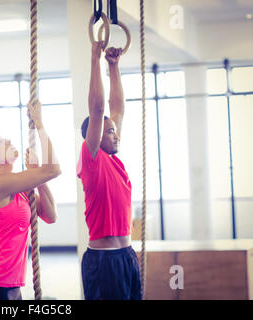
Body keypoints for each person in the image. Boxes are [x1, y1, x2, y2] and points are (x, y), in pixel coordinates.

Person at [0, 101, 61, 300]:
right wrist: (40, 124)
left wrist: (37, 177)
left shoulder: (17, 188)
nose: (7, 140)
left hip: (12, 290)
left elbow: (51, 215)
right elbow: (53, 169)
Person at [77, 42, 142, 300]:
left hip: (126, 255)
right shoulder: (91, 159)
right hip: (104, 261)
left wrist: (113, 66)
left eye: (115, 130)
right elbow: (99, 109)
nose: (117, 135)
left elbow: (117, 109)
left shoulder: (115, 160)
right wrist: (94, 58)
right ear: (94, 137)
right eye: (111, 131)